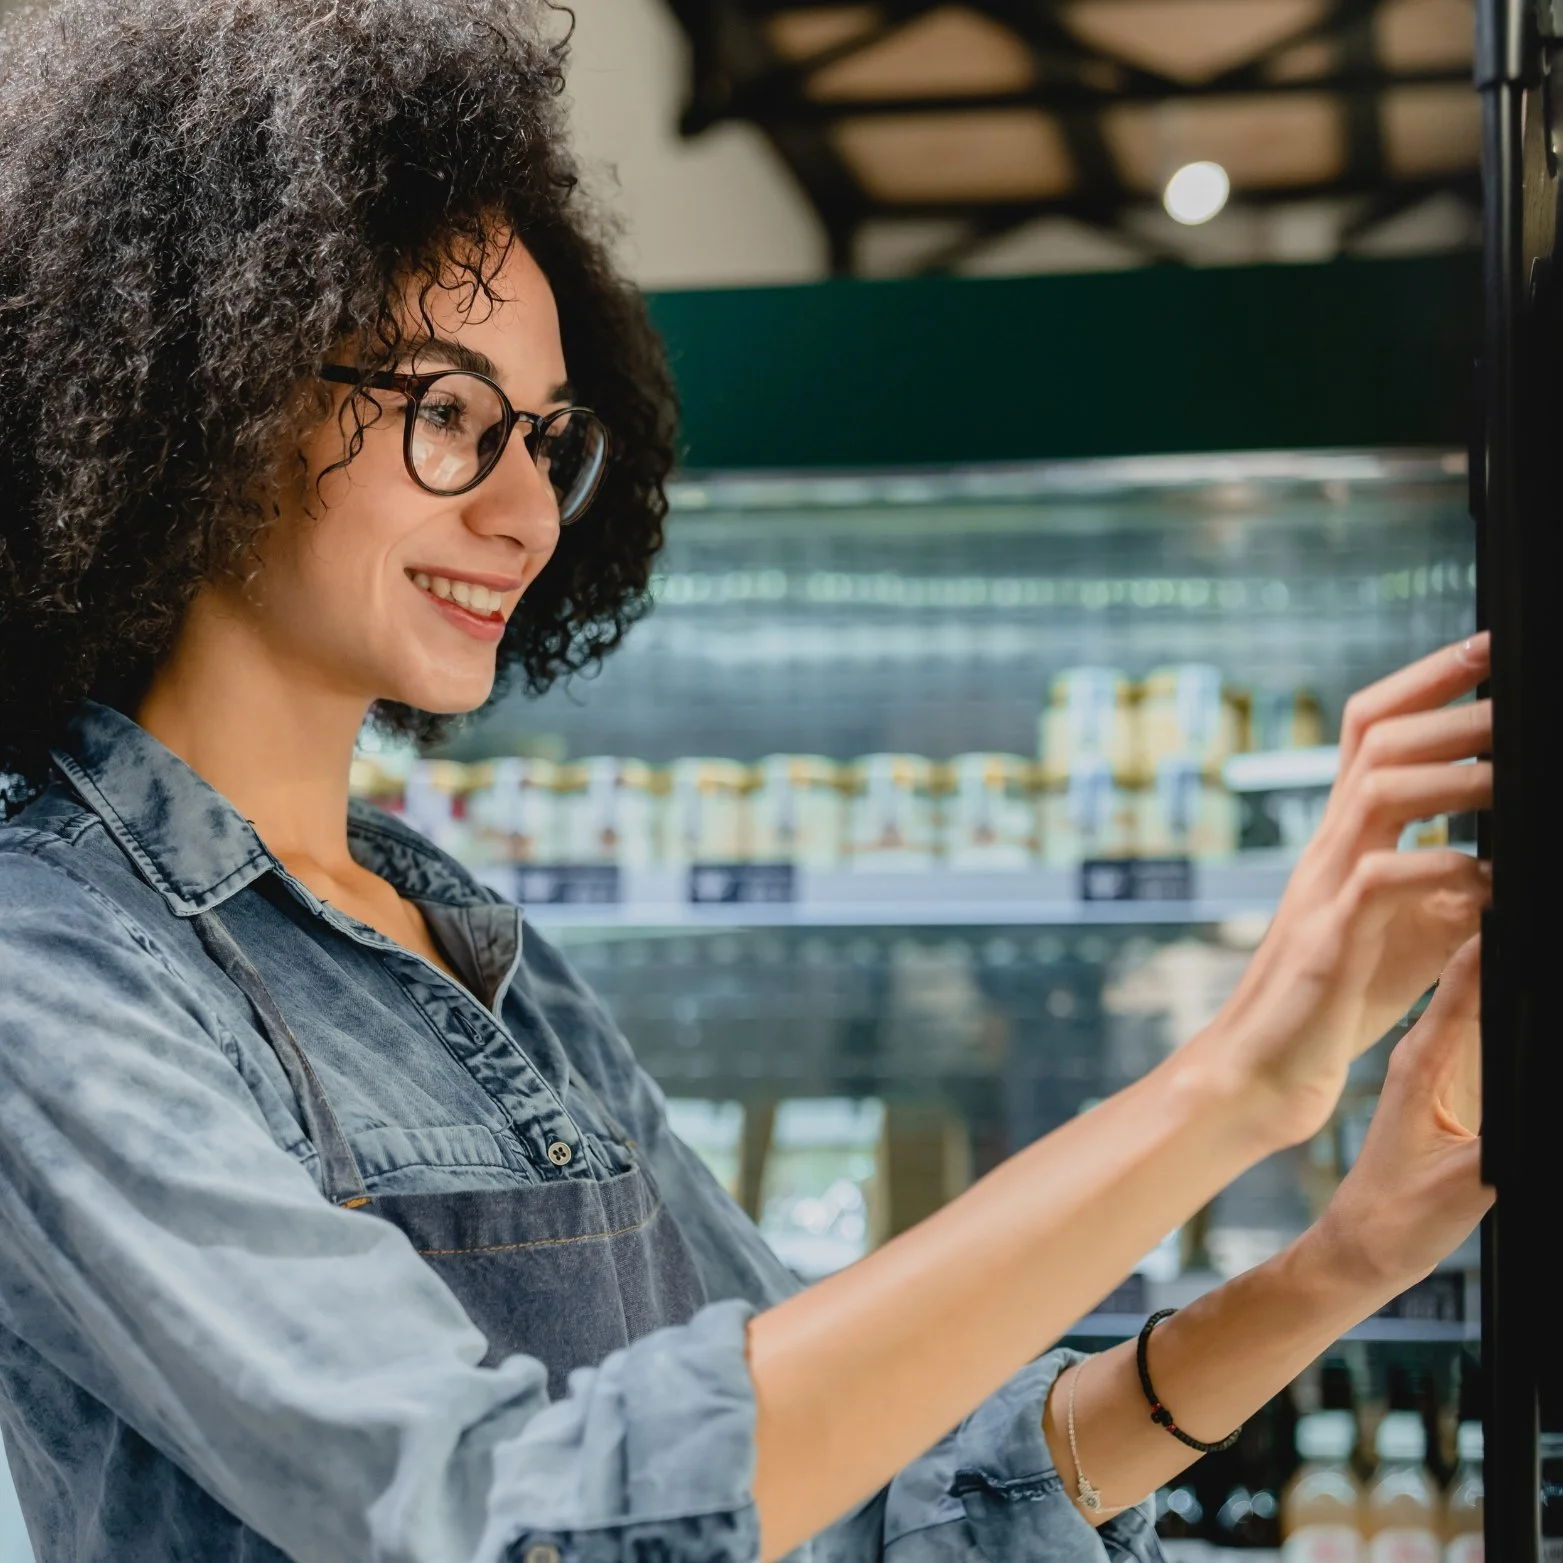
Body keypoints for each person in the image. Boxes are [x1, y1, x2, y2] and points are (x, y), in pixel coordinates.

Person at [0, 2, 1494, 1560]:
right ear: (204, 395)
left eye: (545, 436)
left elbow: (854, 1481)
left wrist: (1338, 1262)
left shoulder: (479, 954)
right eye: (448, 413)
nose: (526, 513)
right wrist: (1229, 1085)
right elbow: (518, 1521)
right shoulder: (49, 965)